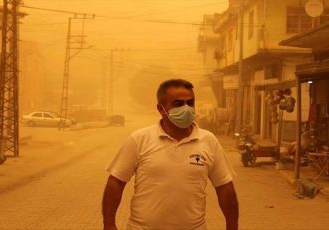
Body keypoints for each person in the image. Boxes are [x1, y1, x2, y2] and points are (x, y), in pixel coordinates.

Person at [102, 79, 239, 230]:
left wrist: (232, 226)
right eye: (178, 104)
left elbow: (224, 187)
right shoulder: (139, 139)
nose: (186, 109)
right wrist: (109, 224)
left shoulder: (209, 141)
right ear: (161, 109)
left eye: (190, 103)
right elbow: (116, 182)